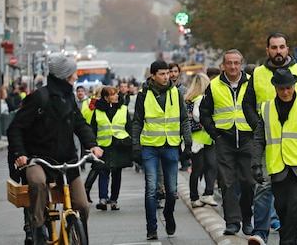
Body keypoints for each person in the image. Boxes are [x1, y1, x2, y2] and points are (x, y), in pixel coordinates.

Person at [7, 54, 104, 245]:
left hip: (66, 160)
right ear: (64, 75)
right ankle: (38, 227)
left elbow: (81, 125)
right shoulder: (38, 99)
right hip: (39, 160)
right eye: (73, 73)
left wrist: (92, 145)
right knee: (37, 182)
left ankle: (78, 236)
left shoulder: (69, 98)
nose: (76, 77)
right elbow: (15, 128)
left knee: (83, 206)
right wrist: (20, 155)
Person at [244, 33, 297, 244]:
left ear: (288, 49)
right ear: (267, 50)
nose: (278, 51)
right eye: (274, 47)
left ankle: (285, 241)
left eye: (282, 47)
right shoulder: (260, 80)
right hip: (274, 159)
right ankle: (267, 234)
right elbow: (248, 107)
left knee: (294, 209)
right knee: (279, 205)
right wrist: (259, 127)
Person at [252, 68, 297, 245]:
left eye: (289, 88)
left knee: (294, 208)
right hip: (277, 166)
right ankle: (292, 241)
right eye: (282, 88)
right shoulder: (266, 108)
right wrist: (255, 164)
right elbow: (258, 139)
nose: (286, 92)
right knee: (282, 209)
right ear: (275, 88)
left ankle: (286, 242)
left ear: (294, 86)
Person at [131, 60, 193, 240]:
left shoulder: (175, 93)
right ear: (153, 75)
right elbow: (137, 122)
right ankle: (151, 227)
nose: (167, 77)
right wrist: (136, 146)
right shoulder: (144, 94)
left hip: (171, 146)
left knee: (172, 190)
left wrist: (187, 142)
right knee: (151, 188)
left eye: (168, 73)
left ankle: (168, 213)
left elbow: (183, 119)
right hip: (150, 147)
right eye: (162, 74)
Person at [199, 49, 255, 237]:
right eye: (229, 63)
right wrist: (215, 134)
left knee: (248, 182)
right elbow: (205, 112)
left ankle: (247, 218)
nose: (232, 66)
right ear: (223, 65)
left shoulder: (251, 83)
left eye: (236, 63)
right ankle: (232, 222)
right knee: (227, 182)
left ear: (242, 64)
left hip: (247, 138)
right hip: (225, 140)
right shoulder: (214, 86)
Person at [90, 85, 132, 211]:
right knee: (103, 172)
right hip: (103, 146)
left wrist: (130, 141)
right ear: (106, 97)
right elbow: (93, 129)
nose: (116, 96)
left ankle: (114, 200)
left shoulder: (123, 109)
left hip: (120, 145)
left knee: (116, 174)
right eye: (113, 94)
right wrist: (93, 145)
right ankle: (103, 199)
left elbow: (129, 127)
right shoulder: (98, 111)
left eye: (116, 94)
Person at [185, 72, 218, 208]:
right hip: (203, 138)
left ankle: (198, 196)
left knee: (200, 168)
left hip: (198, 138)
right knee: (208, 166)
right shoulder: (201, 99)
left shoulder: (190, 99)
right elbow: (200, 117)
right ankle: (205, 194)